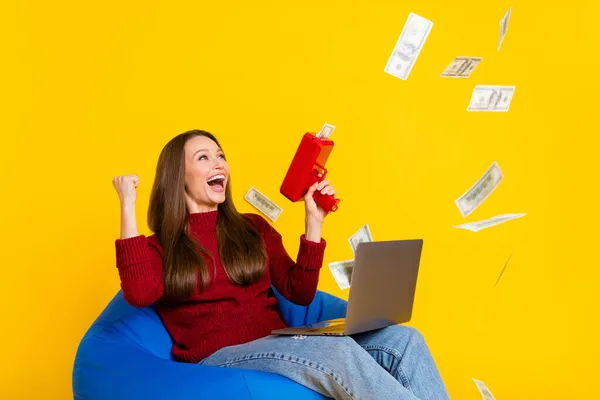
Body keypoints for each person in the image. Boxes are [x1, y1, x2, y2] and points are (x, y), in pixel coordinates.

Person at [112, 129, 450, 400]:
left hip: (280, 342)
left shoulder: (251, 227)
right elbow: (139, 293)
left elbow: (299, 293)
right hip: (220, 358)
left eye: (221, 156)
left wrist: (313, 222)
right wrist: (128, 204)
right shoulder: (159, 247)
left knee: (405, 340)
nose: (219, 164)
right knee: (340, 354)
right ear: (178, 176)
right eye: (204, 157)